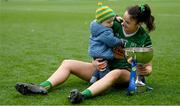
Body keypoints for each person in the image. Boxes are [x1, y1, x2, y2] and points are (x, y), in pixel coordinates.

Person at [15, 4, 155, 104]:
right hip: (102, 68)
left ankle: (82, 95)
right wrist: (94, 62)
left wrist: (146, 71)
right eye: (123, 19)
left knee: (115, 73)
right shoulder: (114, 24)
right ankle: (42, 87)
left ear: (138, 24)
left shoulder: (143, 38)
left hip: (124, 72)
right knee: (67, 63)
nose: (123, 23)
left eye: (127, 22)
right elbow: (97, 40)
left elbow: (148, 65)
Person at [88, 4, 125, 84]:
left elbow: (108, 16)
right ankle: (102, 82)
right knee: (104, 67)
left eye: (112, 20)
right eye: (109, 22)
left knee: (100, 65)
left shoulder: (96, 25)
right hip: (100, 52)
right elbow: (112, 42)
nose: (111, 23)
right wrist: (121, 41)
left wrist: (116, 16)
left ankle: (94, 78)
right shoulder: (104, 32)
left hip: (95, 50)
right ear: (101, 22)